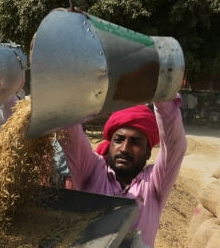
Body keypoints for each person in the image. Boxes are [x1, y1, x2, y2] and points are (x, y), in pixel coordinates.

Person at [59, 96, 187, 247]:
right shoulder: (92, 170)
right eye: (119, 140)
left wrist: (163, 95)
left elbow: (174, 146)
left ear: (148, 152)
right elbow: (70, 134)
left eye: (135, 142)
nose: (125, 149)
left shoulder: (154, 183)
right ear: (110, 143)